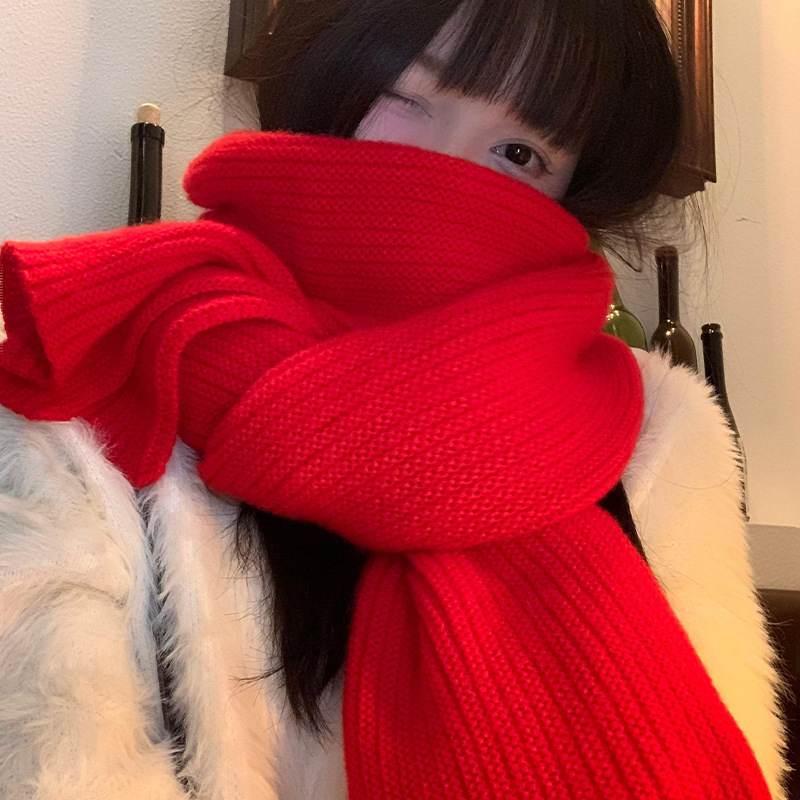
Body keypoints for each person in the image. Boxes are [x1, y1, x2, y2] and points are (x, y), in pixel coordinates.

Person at [0, 0, 790, 798]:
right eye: (405, 95)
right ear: (328, 75)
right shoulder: (92, 394)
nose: (445, 168)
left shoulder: (655, 438)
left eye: (520, 151)